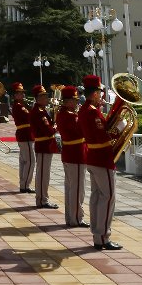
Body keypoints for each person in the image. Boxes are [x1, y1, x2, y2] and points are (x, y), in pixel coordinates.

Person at [77, 75, 122, 251]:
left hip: (93, 157)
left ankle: (97, 235)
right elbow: (103, 135)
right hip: (102, 159)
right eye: (100, 92)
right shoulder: (92, 111)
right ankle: (103, 236)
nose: (102, 95)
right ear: (95, 93)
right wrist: (118, 130)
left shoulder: (85, 109)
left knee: (97, 197)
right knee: (108, 197)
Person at [55, 85, 88, 228]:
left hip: (70, 153)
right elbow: (83, 131)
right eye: (75, 100)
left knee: (70, 188)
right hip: (76, 154)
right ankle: (76, 218)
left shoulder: (63, 113)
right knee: (77, 189)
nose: (77, 103)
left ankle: (70, 217)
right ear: (68, 101)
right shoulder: (70, 116)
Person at [30, 85, 58, 209]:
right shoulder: (39, 112)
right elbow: (49, 131)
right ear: (38, 98)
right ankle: (42, 200)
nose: (47, 98)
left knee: (44, 174)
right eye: (44, 96)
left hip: (46, 145)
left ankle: (43, 198)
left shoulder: (42, 110)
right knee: (42, 175)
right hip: (43, 145)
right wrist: (56, 126)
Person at [11, 83, 35, 193]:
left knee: (24, 161)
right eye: (20, 93)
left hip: (25, 134)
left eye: (23, 93)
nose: (23, 94)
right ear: (15, 95)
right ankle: (25, 185)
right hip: (25, 134)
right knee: (30, 161)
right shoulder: (19, 106)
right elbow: (30, 116)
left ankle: (23, 183)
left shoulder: (21, 105)